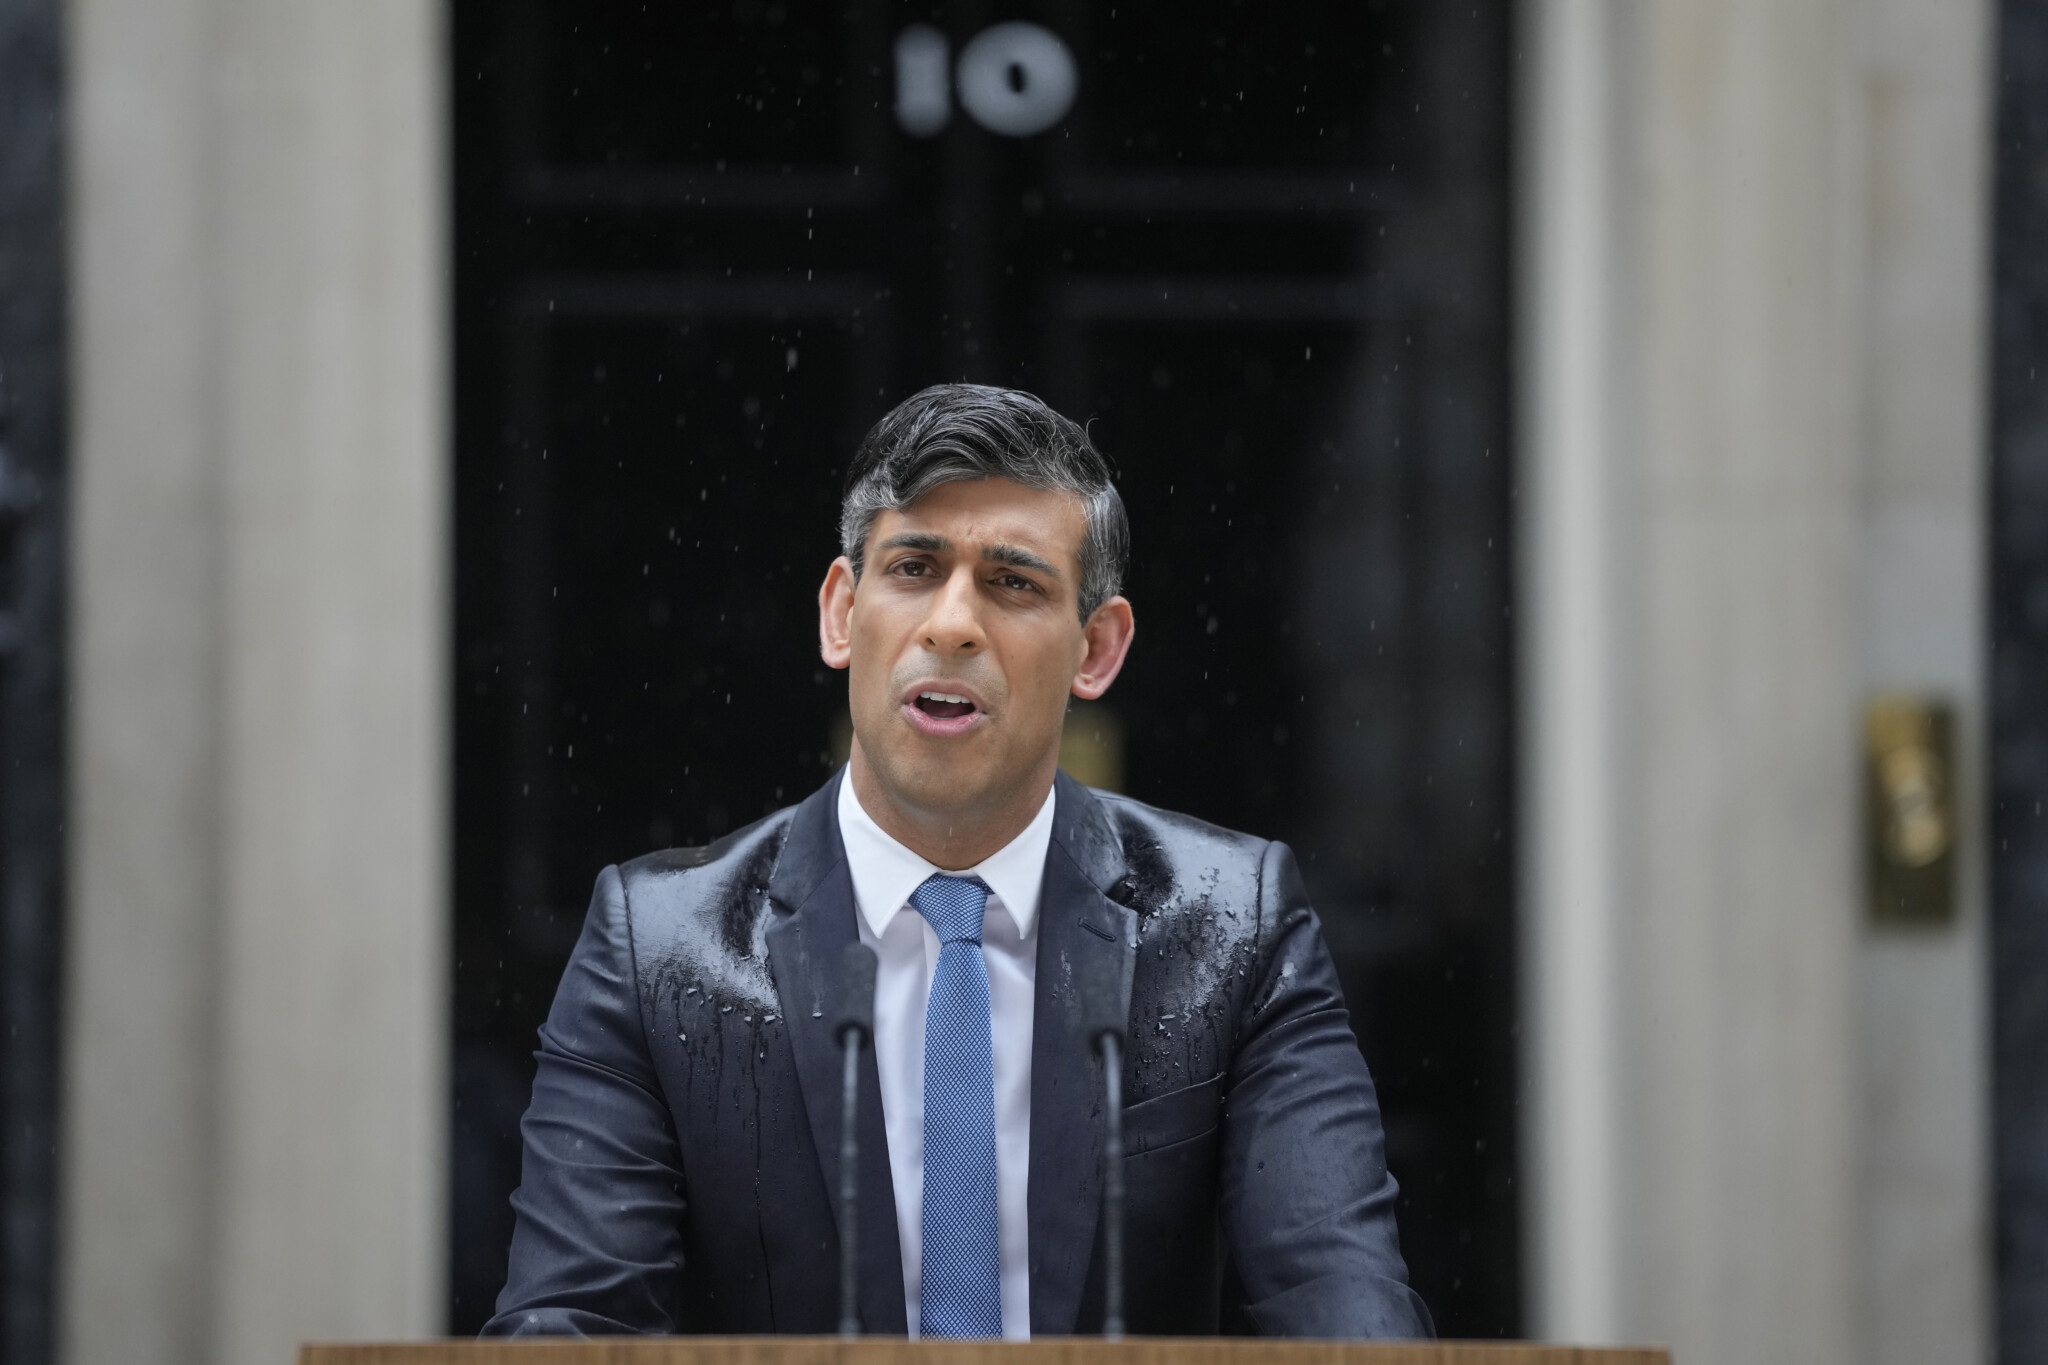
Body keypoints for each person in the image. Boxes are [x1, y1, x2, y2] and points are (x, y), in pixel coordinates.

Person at [485, 384, 1432, 1339]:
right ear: (841, 614)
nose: (951, 624)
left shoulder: (1237, 926)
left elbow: (1349, 1320)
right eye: (913, 567)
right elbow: (569, 1329)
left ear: (1097, 649)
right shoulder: (657, 947)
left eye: (1013, 582)